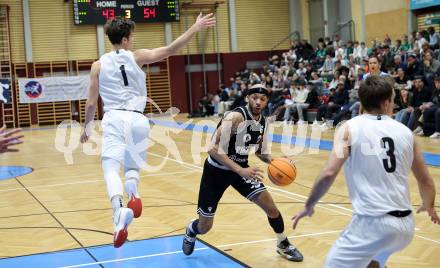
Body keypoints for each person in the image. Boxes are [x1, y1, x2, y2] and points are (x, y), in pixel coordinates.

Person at [79, 14, 216, 248]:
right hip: (138, 119)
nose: (132, 41)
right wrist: (195, 27)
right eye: (130, 37)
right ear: (124, 39)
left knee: (110, 168)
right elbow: (172, 49)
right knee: (132, 167)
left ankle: (118, 210)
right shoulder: (138, 57)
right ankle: (135, 193)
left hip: (114, 117)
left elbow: (91, 103)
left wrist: (87, 128)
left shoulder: (97, 66)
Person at [292, 75, 439, 267]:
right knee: (373, 262)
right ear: (387, 103)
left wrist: (309, 204)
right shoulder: (406, 133)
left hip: (373, 224)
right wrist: (429, 205)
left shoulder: (348, 129)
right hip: (405, 226)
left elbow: (328, 173)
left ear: (362, 101)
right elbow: (426, 181)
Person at [182, 84, 304, 262]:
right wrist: (241, 170)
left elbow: (260, 152)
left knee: (272, 209)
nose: (258, 102)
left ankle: (283, 243)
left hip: (241, 171)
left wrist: (276, 161)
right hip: (216, 172)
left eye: (262, 99)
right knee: (205, 226)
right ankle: (192, 229)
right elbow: (213, 148)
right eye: (254, 97)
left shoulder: (262, 122)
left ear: (266, 101)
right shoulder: (235, 117)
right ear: (248, 98)